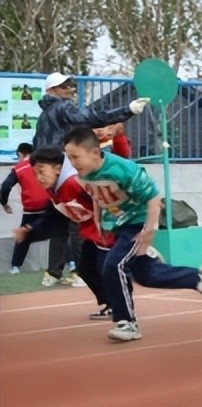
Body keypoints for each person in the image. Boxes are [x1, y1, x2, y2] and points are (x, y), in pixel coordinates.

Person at [62, 127, 202, 342]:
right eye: (69, 157)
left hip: (138, 222)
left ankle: (127, 323)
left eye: (75, 157)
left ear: (95, 153)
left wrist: (149, 230)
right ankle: (194, 277)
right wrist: (98, 220)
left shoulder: (121, 169)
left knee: (113, 265)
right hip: (118, 223)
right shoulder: (84, 174)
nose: (72, 162)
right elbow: (97, 195)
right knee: (146, 275)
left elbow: (153, 196)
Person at [32, 72, 148, 285]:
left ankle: (53, 272)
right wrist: (127, 111)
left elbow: (36, 148)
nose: (69, 88)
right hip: (67, 174)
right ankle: (85, 271)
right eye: (63, 85)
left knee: (62, 224)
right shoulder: (62, 107)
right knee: (84, 220)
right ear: (51, 91)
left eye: (69, 84)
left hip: (53, 180)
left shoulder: (43, 118)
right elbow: (88, 118)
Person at [28, 146, 120, 319]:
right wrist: (30, 229)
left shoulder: (73, 182)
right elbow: (52, 214)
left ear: (57, 168)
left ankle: (121, 306)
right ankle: (111, 304)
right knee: (85, 269)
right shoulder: (54, 187)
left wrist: (110, 223)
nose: (38, 178)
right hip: (88, 231)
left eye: (41, 171)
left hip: (103, 231)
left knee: (110, 268)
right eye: (35, 174)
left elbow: (99, 198)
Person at [2, 142, 58, 275]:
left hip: (31, 208)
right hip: (49, 205)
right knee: (60, 234)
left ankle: (15, 267)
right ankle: (70, 262)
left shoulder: (19, 168)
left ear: (21, 154)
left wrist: (4, 203)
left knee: (24, 237)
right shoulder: (45, 164)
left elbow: (5, 187)